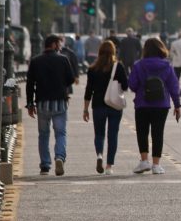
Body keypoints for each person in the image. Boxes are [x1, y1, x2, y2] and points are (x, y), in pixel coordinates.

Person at [127, 37, 181, 175]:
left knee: (142, 132)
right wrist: (177, 105)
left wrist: (141, 87)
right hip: (161, 104)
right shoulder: (167, 65)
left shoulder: (138, 65)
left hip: (142, 103)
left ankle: (144, 161)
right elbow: (174, 86)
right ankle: (156, 165)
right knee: (158, 133)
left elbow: (132, 85)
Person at [25, 34, 75, 175]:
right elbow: (70, 79)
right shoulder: (63, 59)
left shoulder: (35, 61)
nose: (60, 47)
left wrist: (30, 104)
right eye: (58, 44)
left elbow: (30, 84)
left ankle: (45, 165)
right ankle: (59, 157)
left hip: (42, 104)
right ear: (53, 45)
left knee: (43, 134)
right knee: (60, 133)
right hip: (60, 102)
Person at [82, 39, 128, 175]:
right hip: (114, 105)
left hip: (98, 105)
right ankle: (109, 166)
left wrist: (85, 109)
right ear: (114, 51)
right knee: (113, 135)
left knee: (99, 134)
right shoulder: (118, 67)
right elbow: (125, 86)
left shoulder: (92, 69)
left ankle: (99, 155)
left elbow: (88, 90)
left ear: (99, 51)